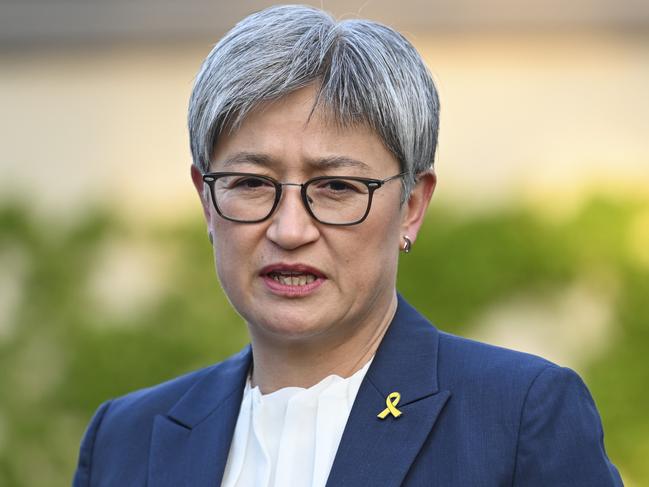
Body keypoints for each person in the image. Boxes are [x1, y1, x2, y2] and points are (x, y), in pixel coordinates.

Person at [72, 5, 623, 486]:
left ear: (412, 206)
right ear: (205, 201)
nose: (290, 230)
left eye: (336, 187)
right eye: (252, 183)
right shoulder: (126, 439)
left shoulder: (516, 416)